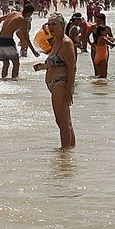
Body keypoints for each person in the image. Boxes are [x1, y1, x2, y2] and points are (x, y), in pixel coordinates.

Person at [33, 13, 76, 149]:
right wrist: (43, 66)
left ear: (62, 26)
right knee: (66, 122)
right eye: (49, 24)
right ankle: (70, 153)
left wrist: (69, 90)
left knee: (62, 122)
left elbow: (72, 68)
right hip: (55, 84)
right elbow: (59, 62)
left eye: (54, 24)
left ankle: (64, 157)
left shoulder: (66, 43)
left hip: (61, 84)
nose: (50, 27)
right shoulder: (56, 41)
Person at [0, 3, 35, 79]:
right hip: (8, 41)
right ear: (29, 13)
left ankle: (4, 80)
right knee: (16, 63)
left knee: (6, 63)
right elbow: (26, 38)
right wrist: (33, 51)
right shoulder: (23, 21)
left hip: (0, 39)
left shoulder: (13, 13)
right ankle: (14, 81)